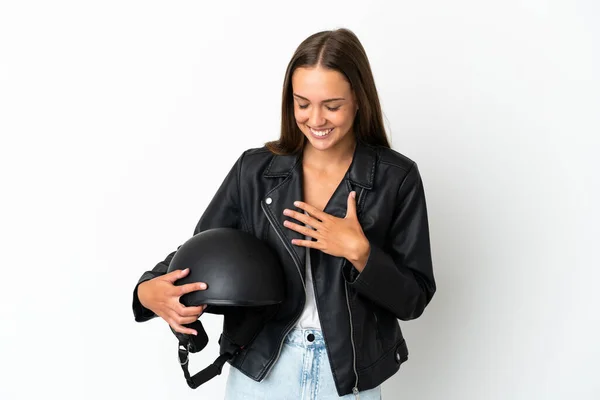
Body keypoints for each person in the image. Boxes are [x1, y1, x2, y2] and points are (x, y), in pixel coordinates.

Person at [132, 28, 436, 399]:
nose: (316, 119)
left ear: (358, 99)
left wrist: (360, 253)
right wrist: (147, 291)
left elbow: (414, 298)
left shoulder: (396, 178)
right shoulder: (255, 170)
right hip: (262, 369)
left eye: (332, 105)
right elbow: (203, 251)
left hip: (347, 378)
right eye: (302, 103)